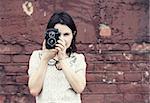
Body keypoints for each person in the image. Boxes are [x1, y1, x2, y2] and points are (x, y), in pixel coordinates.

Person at [28, 11, 87, 103]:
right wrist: (45, 59)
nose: (62, 39)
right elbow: (34, 90)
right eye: (58, 34)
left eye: (66, 34)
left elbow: (79, 88)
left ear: (73, 34)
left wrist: (62, 60)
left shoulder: (77, 59)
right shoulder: (37, 57)